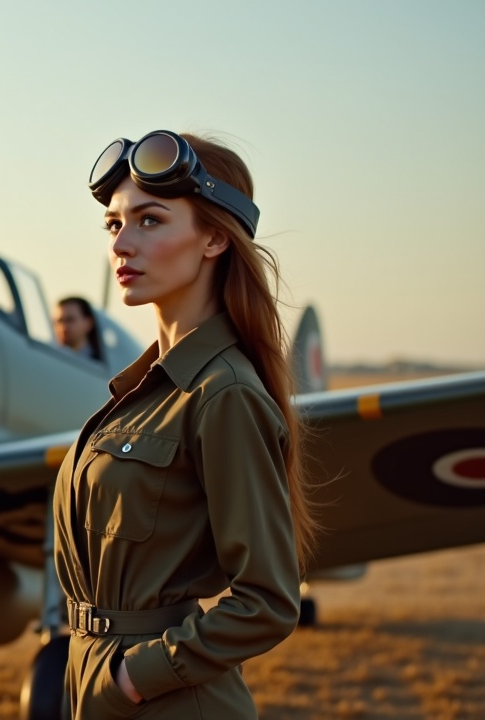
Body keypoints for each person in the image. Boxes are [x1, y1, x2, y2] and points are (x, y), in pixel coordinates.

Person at [52, 130, 319, 719]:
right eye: (114, 225)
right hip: (95, 684)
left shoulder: (223, 393)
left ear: (215, 239)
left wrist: (132, 678)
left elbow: (268, 601)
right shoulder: (141, 392)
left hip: (169, 701)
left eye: (150, 221)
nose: (121, 244)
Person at [53, 296, 103, 362]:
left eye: (70, 320)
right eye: (59, 321)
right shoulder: (51, 359)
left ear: (88, 323)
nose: (63, 327)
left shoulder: (101, 364)